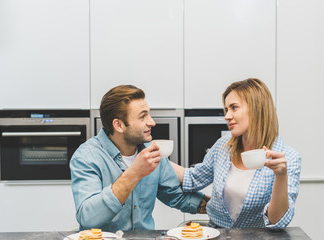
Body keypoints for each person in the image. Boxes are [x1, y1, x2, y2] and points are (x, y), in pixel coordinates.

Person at [70, 85, 206, 232]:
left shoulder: (151, 150)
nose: (152, 122)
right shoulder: (87, 157)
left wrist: (222, 206)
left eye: (149, 114)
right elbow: (88, 218)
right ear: (119, 125)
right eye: (143, 116)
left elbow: (178, 197)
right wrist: (134, 173)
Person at [171, 78, 301, 230]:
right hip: (216, 235)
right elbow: (192, 178)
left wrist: (281, 175)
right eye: (226, 109)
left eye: (234, 108)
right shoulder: (222, 147)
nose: (227, 116)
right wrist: (154, 156)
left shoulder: (288, 157)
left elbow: (276, 221)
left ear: (256, 109)